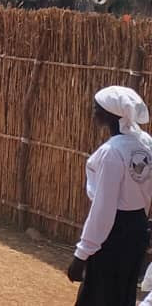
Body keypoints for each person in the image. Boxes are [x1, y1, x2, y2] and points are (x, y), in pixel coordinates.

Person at [67, 86, 152, 306]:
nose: (94, 112)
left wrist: (81, 254)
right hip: (137, 229)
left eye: (98, 108)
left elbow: (103, 209)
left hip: (114, 232)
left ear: (110, 115)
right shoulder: (145, 143)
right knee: (122, 294)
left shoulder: (112, 152)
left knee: (97, 295)